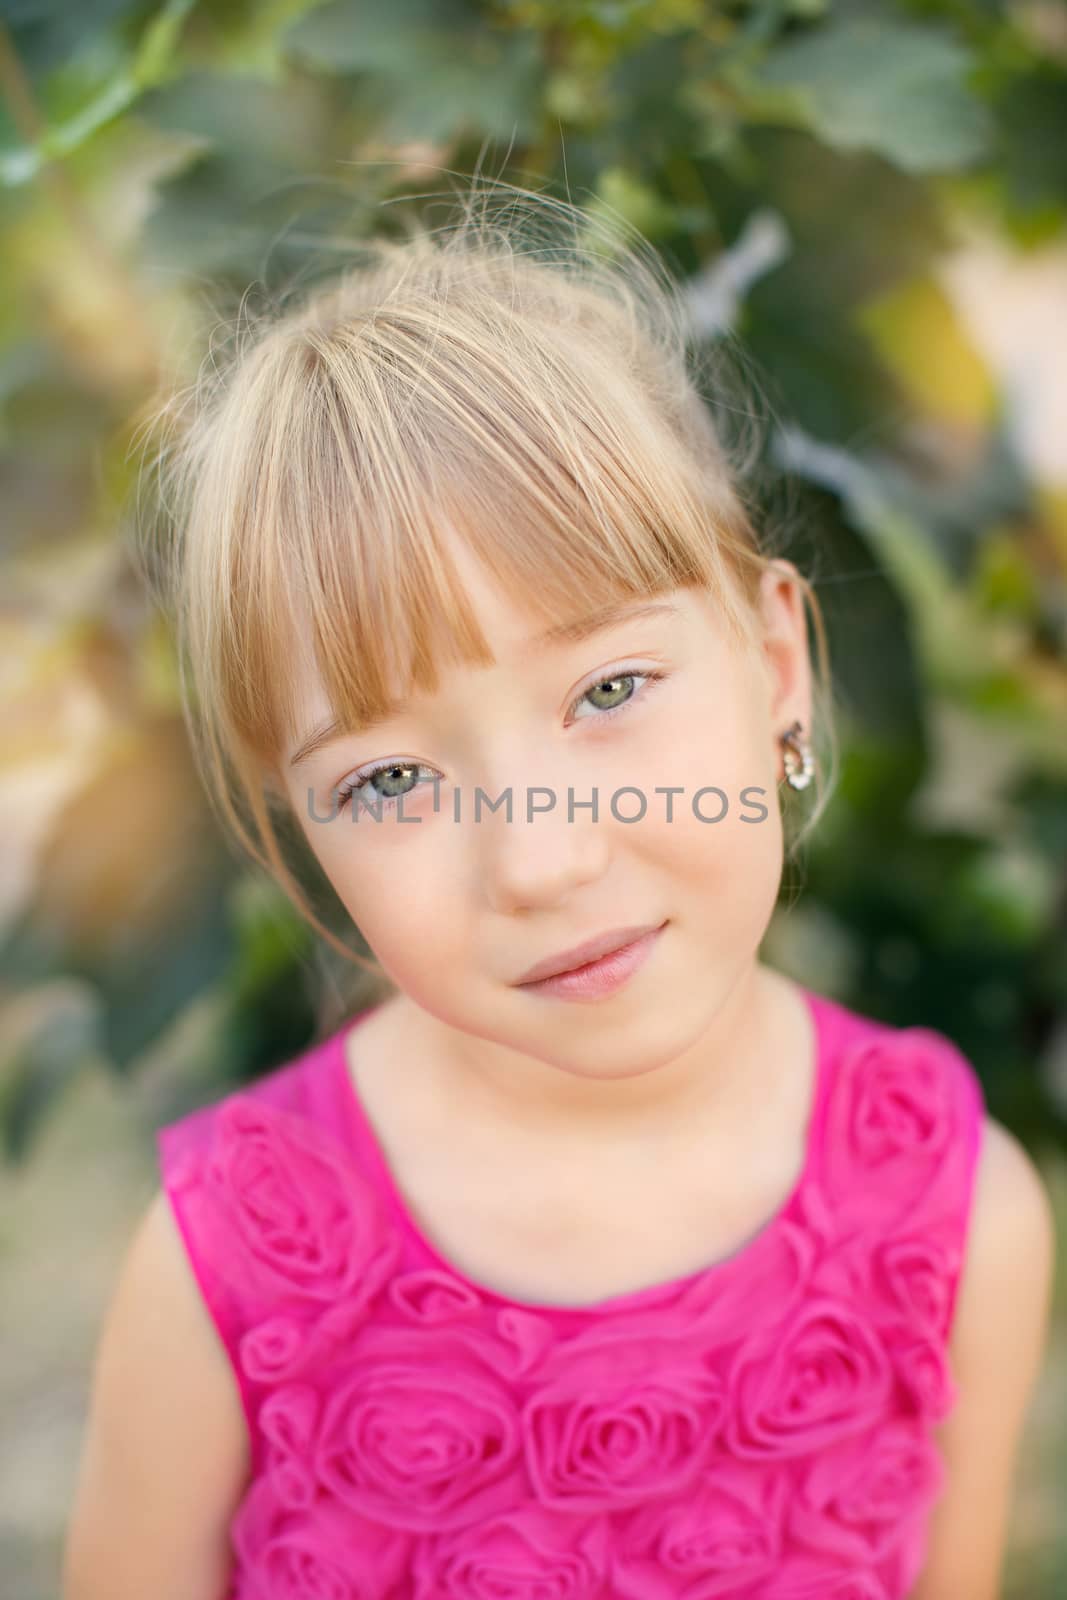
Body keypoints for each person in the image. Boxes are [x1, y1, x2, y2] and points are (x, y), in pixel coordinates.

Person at [63, 179, 1054, 1600]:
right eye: (390, 783)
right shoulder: (223, 1274)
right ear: (302, 831)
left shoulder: (960, 1219)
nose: (542, 859)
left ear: (777, 667)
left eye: (607, 689)